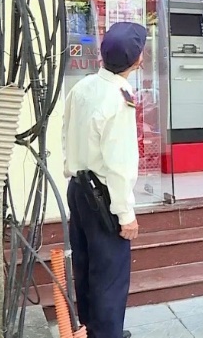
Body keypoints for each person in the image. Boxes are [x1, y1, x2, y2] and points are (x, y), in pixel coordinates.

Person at [63, 22, 146, 338]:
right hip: (103, 197)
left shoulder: (83, 86)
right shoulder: (119, 98)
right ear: (136, 59)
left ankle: (90, 331)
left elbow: (65, 132)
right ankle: (107, 333)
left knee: (85, 267)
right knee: (110, 275)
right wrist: (126, 214)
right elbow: (119, 164)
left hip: (78, 188)